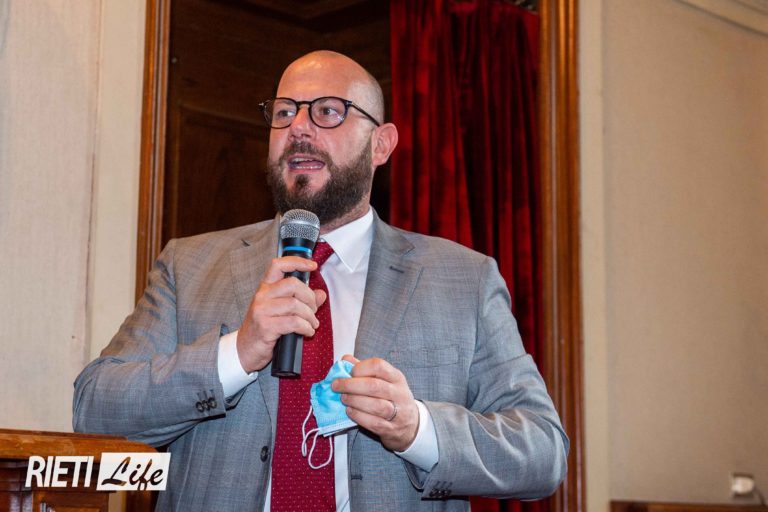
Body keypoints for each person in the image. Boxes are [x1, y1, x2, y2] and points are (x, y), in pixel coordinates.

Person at [73, 50, 568, 512]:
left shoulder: (464, 280)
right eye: (284, 112)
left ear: (381, 144)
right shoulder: (189, 266)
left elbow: (542, 451)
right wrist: (236, 355)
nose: (298, 128)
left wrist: (417, 427)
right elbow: (95, 409)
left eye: (328, 111)